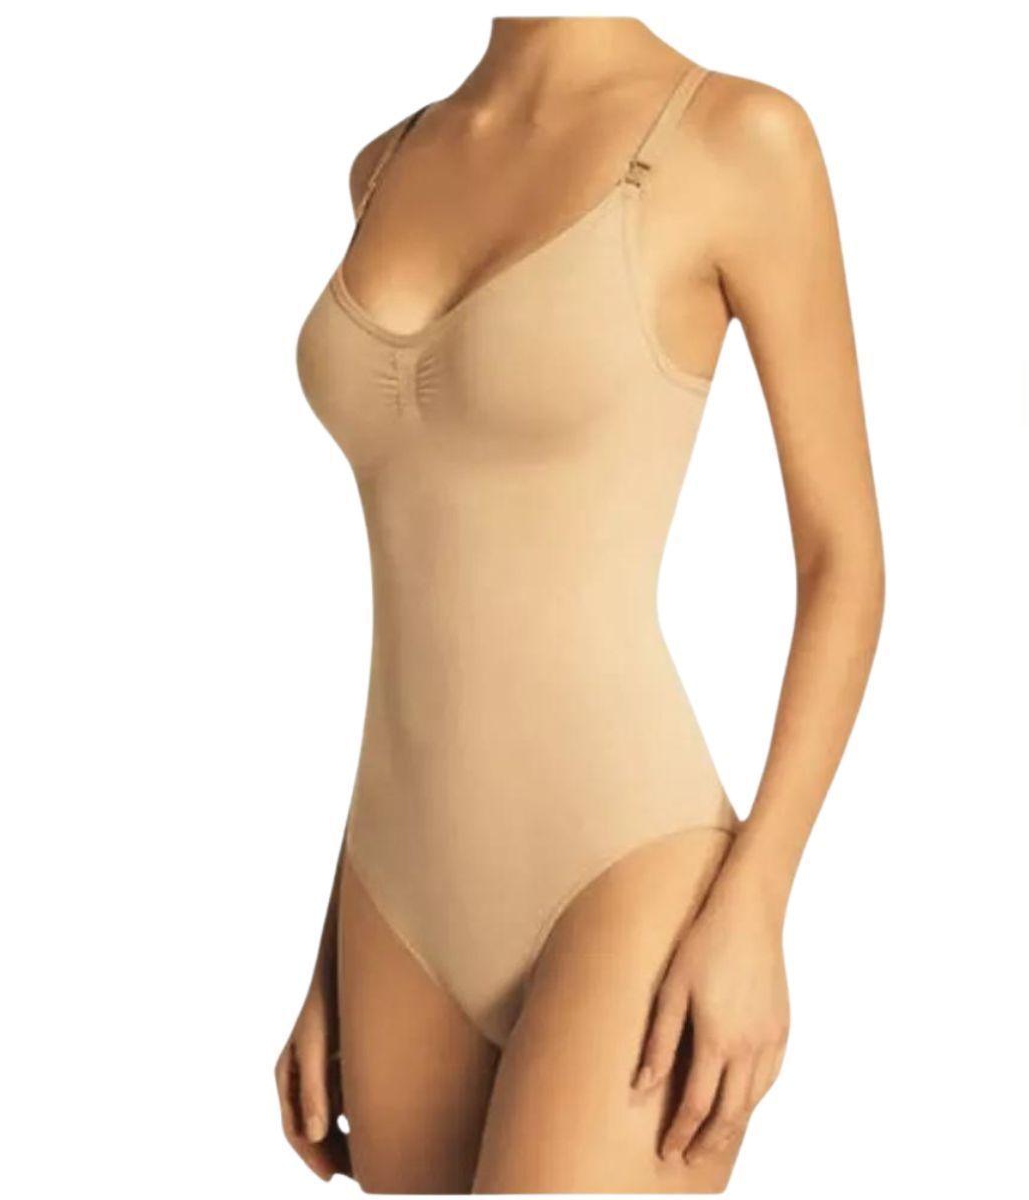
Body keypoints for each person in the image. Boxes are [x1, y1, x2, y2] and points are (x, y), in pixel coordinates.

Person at [279, 16, 884, 1193]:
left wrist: (757, 902)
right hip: (392, 889)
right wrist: (330, 949)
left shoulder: (738, 139)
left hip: (625, 866)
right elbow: (435, 597)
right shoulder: (386, 167)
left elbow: (843, 559)